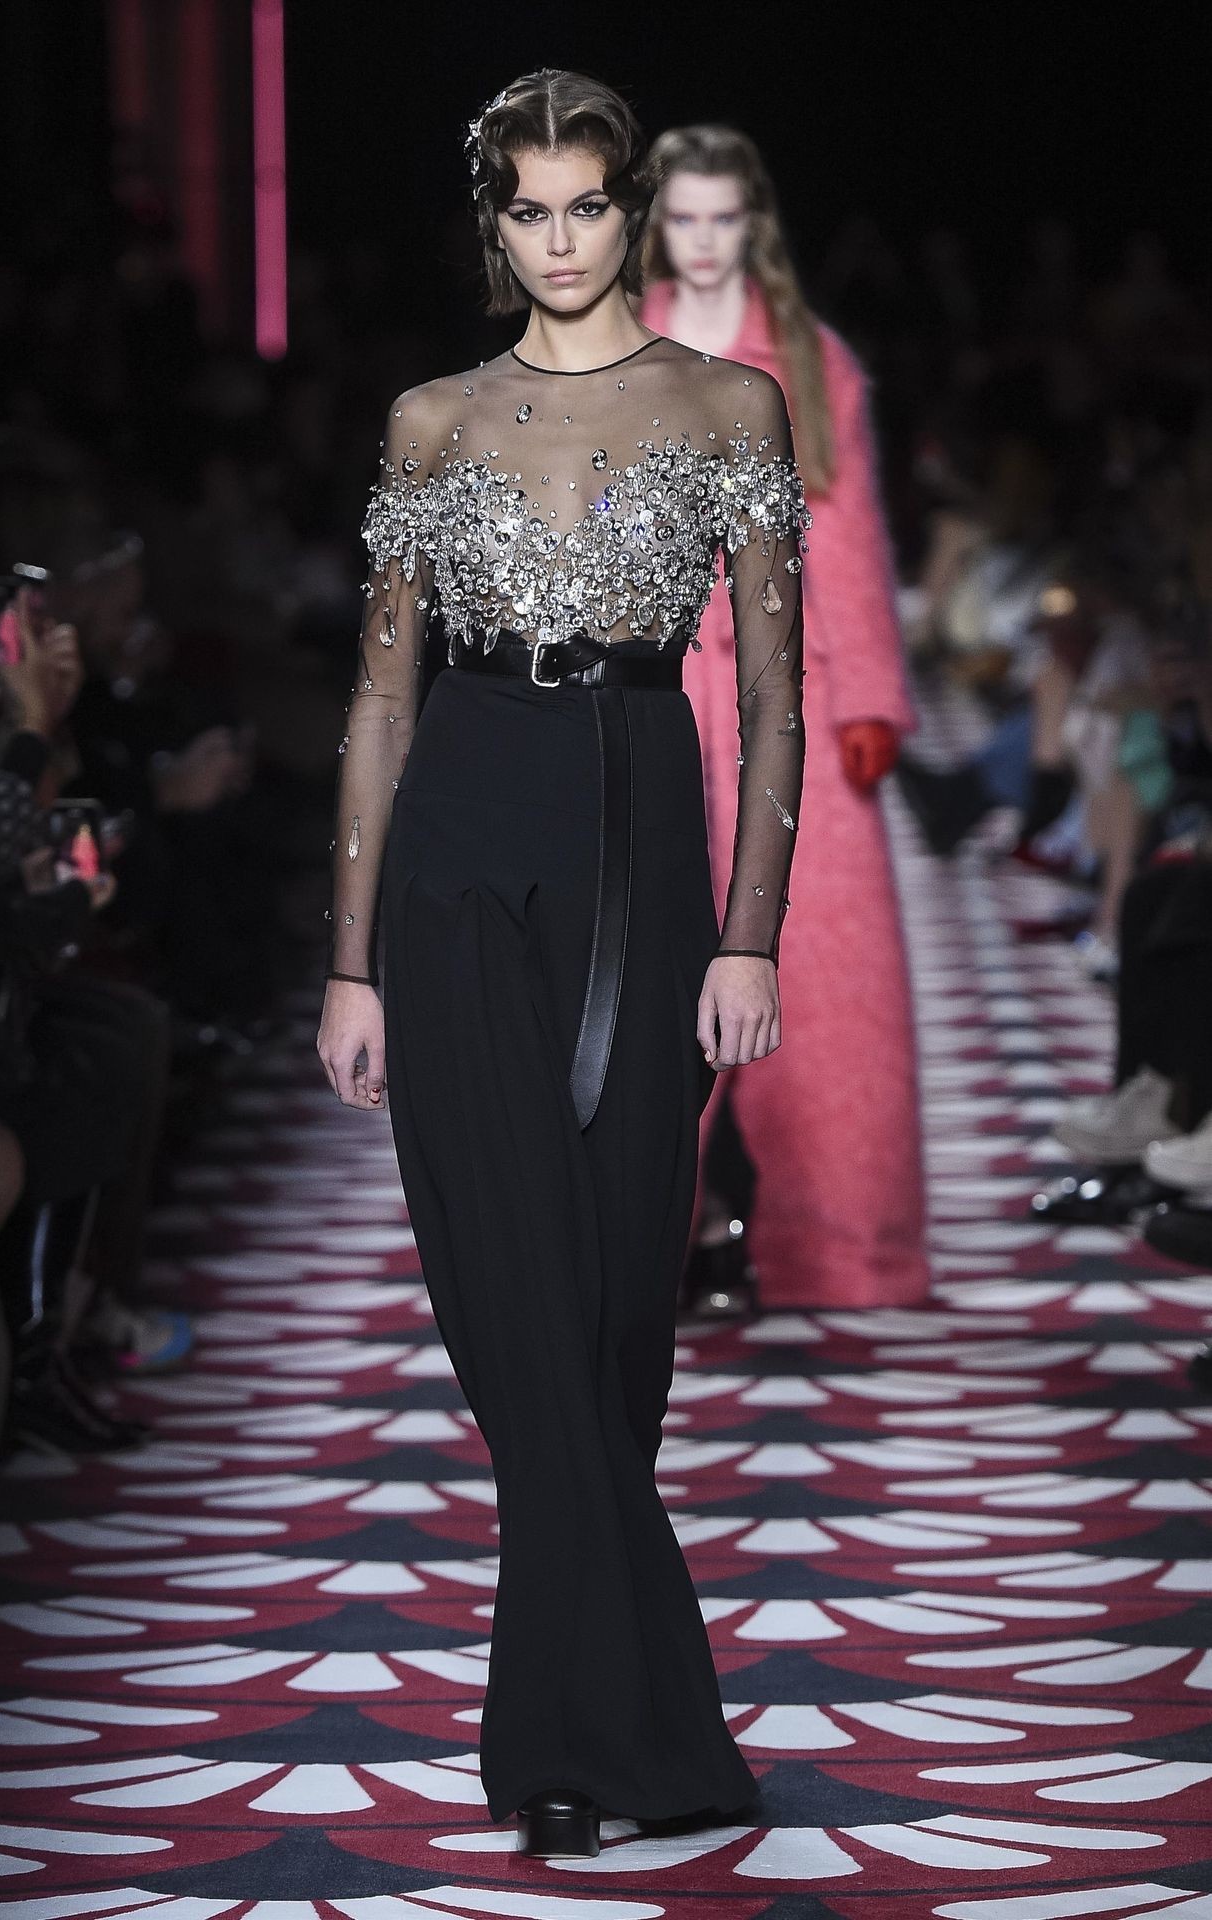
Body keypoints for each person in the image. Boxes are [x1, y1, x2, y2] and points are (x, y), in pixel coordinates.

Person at [316, 70, 808, 1856]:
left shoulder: (728, 404)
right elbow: (379, 700)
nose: (561, 238)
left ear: (626, 209)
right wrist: (349, 961)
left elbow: (773, 700)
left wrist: (747, 931)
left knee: (611, 1322)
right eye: (527, 209)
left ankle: (597, 1725)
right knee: (512, 1303)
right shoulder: (431, 419)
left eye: (585, 204)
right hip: (459, 837)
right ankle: (584, 1743)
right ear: (493, 224)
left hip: (637, 838)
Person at [639, 126, 928, 1310]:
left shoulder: (811, 356)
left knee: (825, 968)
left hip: (785, 689)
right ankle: (655, 1239)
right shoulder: (613, 342)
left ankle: (839, 1241)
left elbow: (846, 526)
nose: (705, 243)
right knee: (654, 958)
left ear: (753, 225)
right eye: (685, 219)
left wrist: (868, 697)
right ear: (658, 224)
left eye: (724, 219)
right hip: (653, 684)